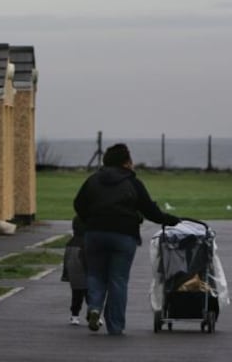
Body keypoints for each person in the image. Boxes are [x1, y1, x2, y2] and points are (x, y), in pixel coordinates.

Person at [73, 143, 179, 336]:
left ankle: (95, 307)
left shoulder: (93, 180)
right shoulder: (133, 183)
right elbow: (150, 210)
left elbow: (78, 204)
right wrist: (171, 220)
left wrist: (90, 220)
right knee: (118, 279)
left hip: (95, 234)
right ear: (126, 162)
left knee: (95, 274)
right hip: (124, 235)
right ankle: (115, 326)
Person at [60, 215, 88, 326]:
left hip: (74, 265)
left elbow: (67, 260)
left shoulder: (70, 243)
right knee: (91, 291)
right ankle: (93, 312)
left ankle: (74, 315)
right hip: (87, 260)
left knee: (76, 292)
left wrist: (66, 274)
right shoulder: (90, 241)